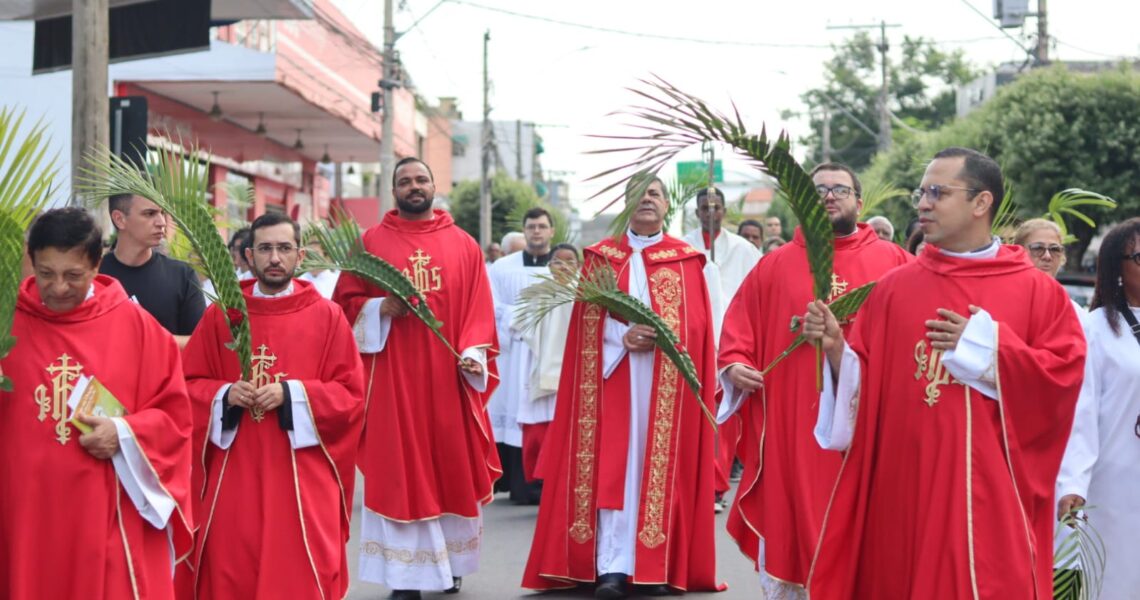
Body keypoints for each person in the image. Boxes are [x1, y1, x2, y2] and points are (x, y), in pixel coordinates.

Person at [804, 147, 1086, 599]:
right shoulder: (895, 288)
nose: (923, 204)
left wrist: (988, 348)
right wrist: (839, 352)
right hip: (904, 491)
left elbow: (1063, 379)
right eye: (922, 192)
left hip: (989, 496)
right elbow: (867, 386)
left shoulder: (1037, 291)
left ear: (981, 203)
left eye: (938, 192)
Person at [717, 162, 912, 599]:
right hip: (794, 428)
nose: (827, 196)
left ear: (858, 203)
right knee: (794, 525)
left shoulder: (895, 262)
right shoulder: (774, 265)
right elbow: (738, 330)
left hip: (870, 425)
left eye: (839, 189)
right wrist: (733, 366)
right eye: (817, 189)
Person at [523, 175, 722, 598]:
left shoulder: (686, 261)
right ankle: (613, 565)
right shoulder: (601, 259)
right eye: (638, 194)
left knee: (658, 470)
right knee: (616, 469)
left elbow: (700, 329)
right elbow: (584, 329)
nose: (646, 200)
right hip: (613, 382)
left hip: (666, 389)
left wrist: (670, 337)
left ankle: (659, 564)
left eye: (654, 194)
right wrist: (622, 339)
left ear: (667, 206)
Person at [0, 207, 193, 599]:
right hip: (21, 514)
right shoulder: (6, 326)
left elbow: (174, 419)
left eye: (73, 275)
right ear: (30, 261)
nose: (57, 288)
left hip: (103, 513)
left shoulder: (138, 329)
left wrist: (124, 433)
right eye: (46, 273)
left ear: (96, 262)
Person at [332, 157, 499, 600]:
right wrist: (378, 309)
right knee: (399, 472)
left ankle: (450, 564)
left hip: (447, 380)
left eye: (421, 179)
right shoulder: (368, 244)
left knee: (449, 470)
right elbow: (343, 307)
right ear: (394, 191)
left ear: (433, 185)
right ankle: (405, 577)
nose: (414, 186)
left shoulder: (464, 245)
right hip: (392, 382)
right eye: (404, 181)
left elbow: (479, 312)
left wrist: (471, 355)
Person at [179, 213, 365, 599]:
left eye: (284, 248)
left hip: (300, 475)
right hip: (236, 472)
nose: (275, 258)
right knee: (231, 566)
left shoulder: (327, 316)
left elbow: (350, 396)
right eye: (265, 249)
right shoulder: (222, 316)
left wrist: (293, 394)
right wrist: (225, 395)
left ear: (299, 256)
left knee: (297, 571)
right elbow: (186, 387)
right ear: (248, 256)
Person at [1055, 218, 1140, 599]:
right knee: (1115, 579)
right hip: (1115, 482)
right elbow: (1080, 413)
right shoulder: (1095, 330)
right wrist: (1073, 482)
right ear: (1116, 268)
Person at [682, 186, 762, 512]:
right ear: (697, 211)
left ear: (724, 211)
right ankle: (692, 482)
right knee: (693, 415)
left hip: (730, 341)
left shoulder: (743, 249)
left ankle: (715, 485)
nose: (711, 212)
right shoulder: (681, 246)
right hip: (691, 339)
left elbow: (758, 292)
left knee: (724, 418)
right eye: (705, 207)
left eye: (716, 206)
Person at [487, 207, 556, 505]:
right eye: (531, 226)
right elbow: (492, 307)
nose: (536, 231)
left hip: (552, 353)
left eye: (542, 226)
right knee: (517, 412)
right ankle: (520, 484)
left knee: (548, 416)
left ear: (551, 231)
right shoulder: (502, 269)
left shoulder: (563, 266)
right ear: (525, 231)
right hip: (516, 353)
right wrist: (524, 318)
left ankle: (549, 484)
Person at [510, 242, 579, 484]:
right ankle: (544, 481)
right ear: (549, 266)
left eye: (569, 261)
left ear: (579, 265)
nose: (563, 266)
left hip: (575, 372)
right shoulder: (537, 292)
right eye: (558, 261)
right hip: (541, 367)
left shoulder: (584, 294)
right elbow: (519, 327)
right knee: (542, 427)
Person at [99, 194, 206, 348]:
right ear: (119, 219)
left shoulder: (182, 274)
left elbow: (201, 342)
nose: (161, 222)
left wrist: (148, 337)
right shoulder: (94, 274)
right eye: (149, 214)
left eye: (162, 213)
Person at [1014, 218, 1084, 316]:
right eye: (1037, 248)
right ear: (1018, 252)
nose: (1047, 256)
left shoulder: (1074, 312)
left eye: (1055, 249)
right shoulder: (1005, 301)